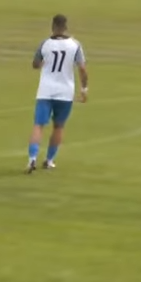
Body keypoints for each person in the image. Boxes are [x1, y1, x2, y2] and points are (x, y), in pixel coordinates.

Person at [27, 14, 88, 173]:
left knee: (38, 125)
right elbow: (82, 68)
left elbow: (35, 64)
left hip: (45, 91)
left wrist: (43, 63)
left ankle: (32, 158)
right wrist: (84, 89)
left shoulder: (45, 44)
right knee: (59, 126)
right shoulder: (75, 45)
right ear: (66, 27)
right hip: (65, 92)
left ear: (52, 27)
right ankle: (49, 160)